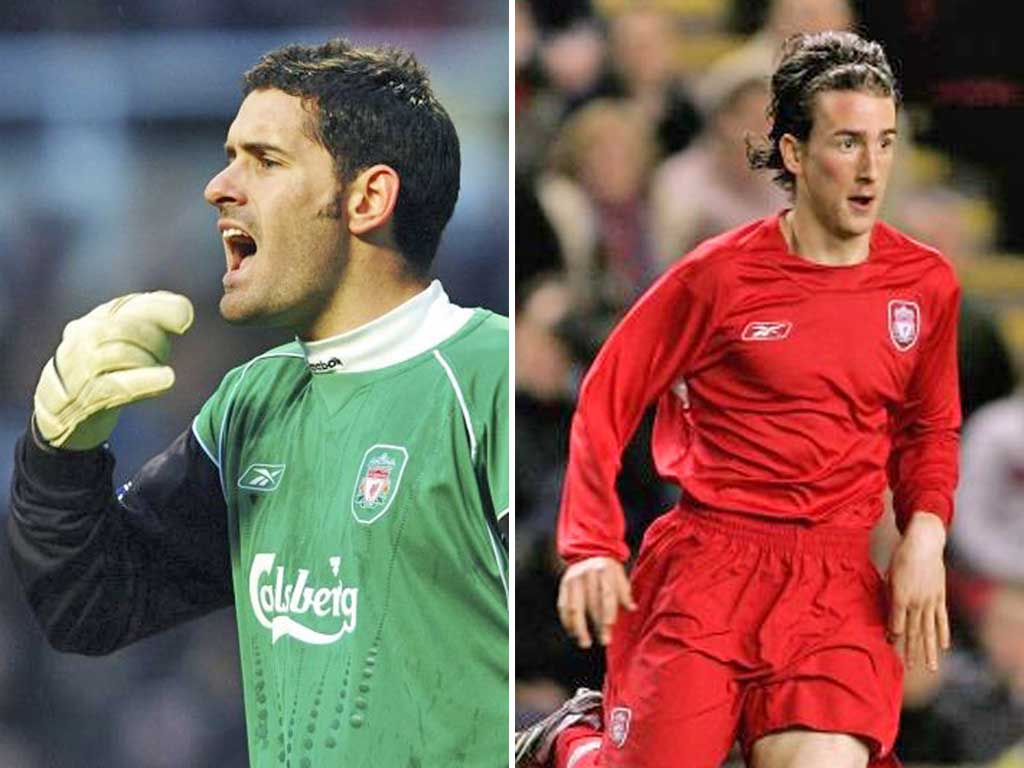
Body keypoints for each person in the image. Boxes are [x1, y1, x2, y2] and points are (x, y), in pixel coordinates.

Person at [8, 39, 508, 767]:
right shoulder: (252, 402)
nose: (218, 186)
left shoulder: (484, 375)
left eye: (264, 161)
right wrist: (59, 452)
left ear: (366, 199)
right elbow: (93, 604)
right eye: (229, 155)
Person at [517, 31, 959, 768]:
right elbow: (606, 394)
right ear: (792, 151)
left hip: (836, 581)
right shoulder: (718, 278)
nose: (871, 168)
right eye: (848, 142)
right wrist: (592, 545)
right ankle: (570, 743)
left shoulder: (925, 284)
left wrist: (926, 534)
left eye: (885, 143)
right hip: (709, 567)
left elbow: (930, 426)